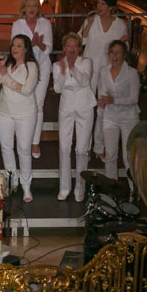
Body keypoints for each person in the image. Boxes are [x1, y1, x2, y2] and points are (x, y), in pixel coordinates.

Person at [0, 35, 40, 201]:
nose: (15, 49)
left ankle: (26, 185)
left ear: (26, 49)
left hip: (25, 113)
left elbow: (27, 90)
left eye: (19, 46)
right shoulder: (7, 64)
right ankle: (12, 180)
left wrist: (6, 77)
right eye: (13, 45)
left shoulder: (31, 66)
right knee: (6, 147)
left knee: (24, 149)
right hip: (4, 111)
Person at [81, 0, 129, 158]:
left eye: (102, 4)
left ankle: (99, 146)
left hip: (107, 71)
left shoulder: (119, 24)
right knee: (87, 107)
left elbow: (122, 47)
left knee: (103, 108)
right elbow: (82, 40)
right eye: (98, 3)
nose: (99, 7)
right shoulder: (91, 20)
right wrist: (89, 23)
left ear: (110, 7)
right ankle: (84, 146)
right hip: (89, 68)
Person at [52, 32, 96, 201]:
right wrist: (64, 72)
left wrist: (72, 68)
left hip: (85, 107)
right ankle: (64, 188)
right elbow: (57, 88)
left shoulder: (86, 62)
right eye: (68, 46)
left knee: (82, 149)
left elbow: (84, 81)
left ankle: (80, 188)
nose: (71, 49)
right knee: (64, 147)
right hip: (66, 108)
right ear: (64, 48)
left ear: (79, 48)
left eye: (75, 46)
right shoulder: (57, 65)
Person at [11, 0, 52, 158]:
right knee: (23, 103)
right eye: (28, 6)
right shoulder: (17, 25)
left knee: (38, 105)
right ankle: (23, 140)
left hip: (42, 67)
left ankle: (35, 142)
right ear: (23, 8)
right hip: (24, 68)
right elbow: (15, 48)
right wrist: (30, 45)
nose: (32, 9)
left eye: (35, 6)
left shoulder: (45, 24)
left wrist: (39, 44)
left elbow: (48, 49)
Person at [97, 40, 140, 182]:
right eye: (112, 52)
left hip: (129, 118)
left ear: (124, 55)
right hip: (110, 116)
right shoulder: (104, 71)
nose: (114, 56)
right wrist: (103, 102)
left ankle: (133, 189)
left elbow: (134, 98)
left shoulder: (132, 73)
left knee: (128, 156)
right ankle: (112, 189)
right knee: (110, 155)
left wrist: (114, 100)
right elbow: (103, 94)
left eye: (118, 52)